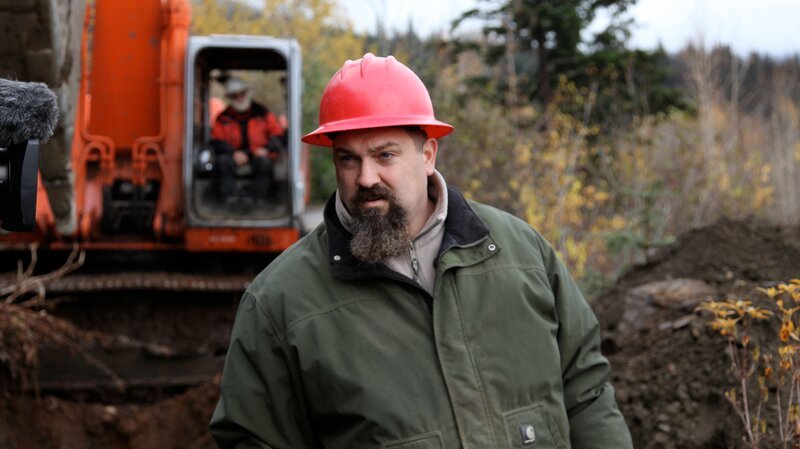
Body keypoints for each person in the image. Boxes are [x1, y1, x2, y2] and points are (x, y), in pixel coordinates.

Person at [209, 54, 633, 449]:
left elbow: (586, 393)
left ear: (427, 153)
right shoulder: (281, 301)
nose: (366, 177)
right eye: (348, 159)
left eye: (385, 155)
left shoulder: (520, 252)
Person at [210, 77, 284, 205]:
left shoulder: (263, 113)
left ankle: (258, 200)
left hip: (258, 154)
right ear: (230, 98)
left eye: (241, 94)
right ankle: (230, 200)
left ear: (246, 93)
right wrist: (233, 153)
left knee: (265, 163)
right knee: (222, 162)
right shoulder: (222, 118)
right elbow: (216, 141)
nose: (239, 98)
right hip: (233, 155)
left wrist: (266, 149)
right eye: (235, 96)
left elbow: (278, 134)